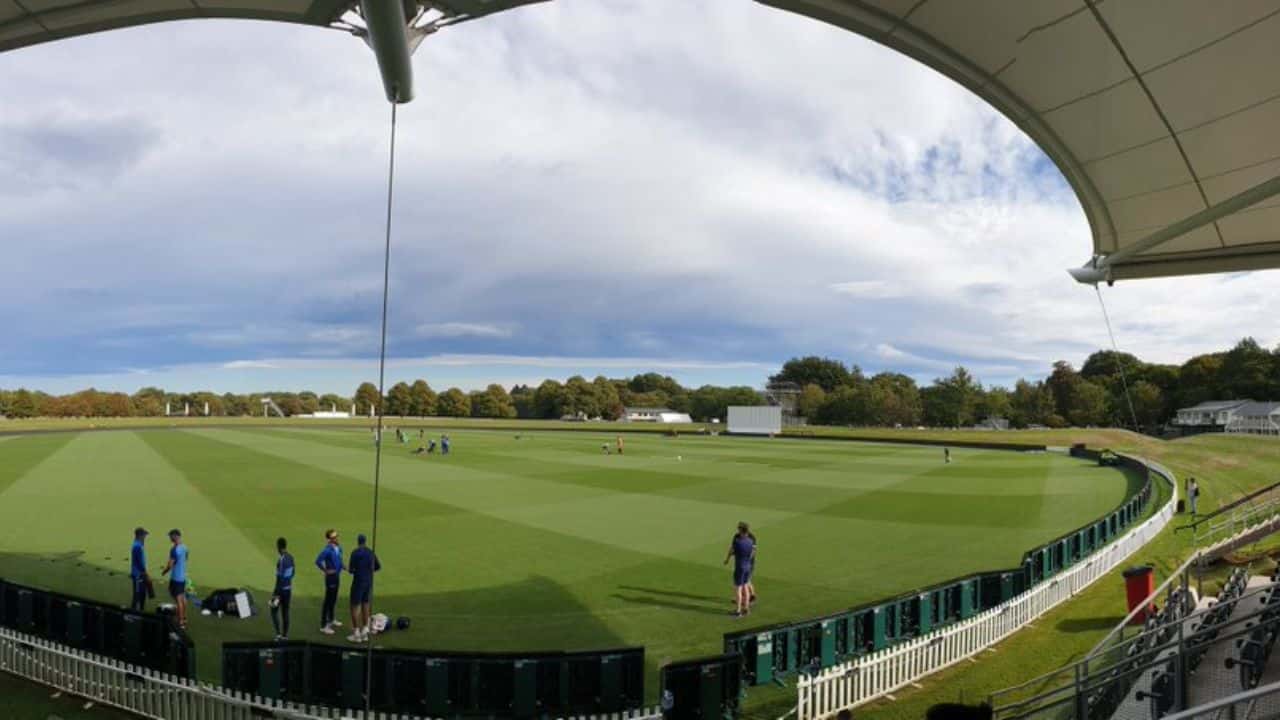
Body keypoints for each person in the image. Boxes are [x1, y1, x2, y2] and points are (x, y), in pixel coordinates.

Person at [347, 533, 382, 643]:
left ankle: (356, 633)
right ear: (365, 541)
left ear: (358, 542)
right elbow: (378, 566)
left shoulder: (355, 553)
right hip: (368, 582)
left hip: (358, 582)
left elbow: (351, 570)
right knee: (366, 604)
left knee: (354, 606)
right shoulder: (370, 552)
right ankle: (365, 631)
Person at [722, 522, 755, 617]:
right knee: (745, 586)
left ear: (741, 530)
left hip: (740, 567)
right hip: (748, 566)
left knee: (738, 589)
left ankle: (738, 611)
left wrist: (727, 559)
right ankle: (746, 609)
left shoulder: (738, 542)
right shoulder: (750, 541)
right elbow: (752, 553)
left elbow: (732, 551)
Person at [315, 529, 344, 635]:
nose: (336, 538)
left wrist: (345, 567)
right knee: (328, 600)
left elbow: (339, 561)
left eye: (337, 536)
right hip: (331, 578)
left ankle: (331, 619)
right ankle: (323, 625)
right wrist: (326, 570)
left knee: (333, 599)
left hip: (337, 576)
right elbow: (318, 561)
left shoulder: (339, 548)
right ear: (330, 539)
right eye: (334, 537)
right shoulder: (327, 550)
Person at [160, 529, 189, 629]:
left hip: (176, 578)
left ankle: (180, 621)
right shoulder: (185, 547)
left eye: (171, 536)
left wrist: (164, 571)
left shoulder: (174, 549)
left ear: (176, 536)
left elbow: (171, 564)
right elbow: (185, 559)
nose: (170, 538)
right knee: (182, 598)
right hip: (182, 577)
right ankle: (184, 618)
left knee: (178, 599)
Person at [271, 537, 295, 641]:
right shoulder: (291, 557)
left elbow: (279, 577)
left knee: (273, 610)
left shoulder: (281, 560)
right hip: (288, 589)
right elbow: (293, 572)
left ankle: (278, 635)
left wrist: (275, 594)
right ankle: (285, 636)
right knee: (285, 612)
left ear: (279, 547)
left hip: (280, 591)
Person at [129, 527, 150, 612]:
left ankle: (140, 611)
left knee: (142, 594)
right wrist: (145, 572)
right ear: (139, 535)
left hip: (140, 573)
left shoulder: (139, 545)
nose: (145, 537)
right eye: (144, 535)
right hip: (138, 574)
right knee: (137, 595)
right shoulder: (137, 546)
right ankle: (133, 612)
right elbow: (139, 562)